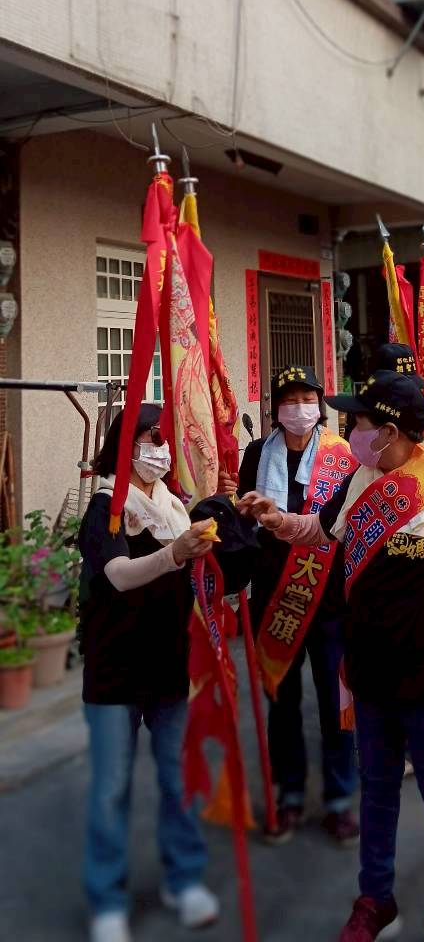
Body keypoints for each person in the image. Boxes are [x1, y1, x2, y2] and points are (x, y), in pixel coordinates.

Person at [238, 371, 424, 942]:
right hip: (369, 669)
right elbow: (322, 532)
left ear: (390, 431)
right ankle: (375, 897)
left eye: (361, 422)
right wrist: (277, 518)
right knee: (378, 792)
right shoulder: (360, 477)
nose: (351, 430)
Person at [78, 404, 219, 942]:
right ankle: (107, 900)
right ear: (125, 444)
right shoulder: (107, 506)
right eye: (152, 437)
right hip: (115, 669)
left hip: (168, 664)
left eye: (165, 438)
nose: (161, 448)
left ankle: (183, 879)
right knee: (111, 788)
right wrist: (174, 554)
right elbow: (117, 575)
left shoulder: (173, 505)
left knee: (177, 778)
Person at [221, 365, 358, 845]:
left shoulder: (343, 455)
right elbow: (244, 518)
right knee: (281, 698)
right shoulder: (259, 453)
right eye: (289, 399)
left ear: (319, 404)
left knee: (335, 701)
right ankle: (290, 792)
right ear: (275, 408)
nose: (298, 408)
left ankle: (339, 798)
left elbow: (346, 524)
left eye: (306, 398)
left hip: (329, 598)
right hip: (274, 596)